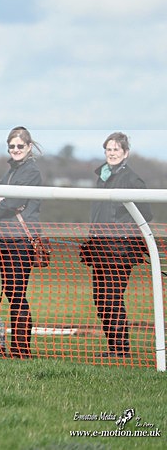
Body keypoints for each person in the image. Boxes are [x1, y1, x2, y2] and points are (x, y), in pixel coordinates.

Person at [81, 132, 152, 359]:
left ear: (125, 153)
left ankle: (121, 350)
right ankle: (114, 347)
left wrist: (120, 232)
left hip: (120, 251)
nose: (111, 153)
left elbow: (146, 213)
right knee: (100, 299)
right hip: (99, 248)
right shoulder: (101, 177)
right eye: (108, 149)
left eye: (116, 150)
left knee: (112, 298)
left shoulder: (132, 179)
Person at [0, 126, 43, 358]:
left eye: (20, 146)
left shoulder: (32, 172)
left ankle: (21, 350)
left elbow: (12, 202)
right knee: (11, 292)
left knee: (17, 294)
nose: (16, 149)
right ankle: (17, 349)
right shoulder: (9, 173)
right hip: (5, 239)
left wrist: (3, 203)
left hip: (20, 241)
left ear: (29, 147)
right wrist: (1, 202)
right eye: (12, 146)